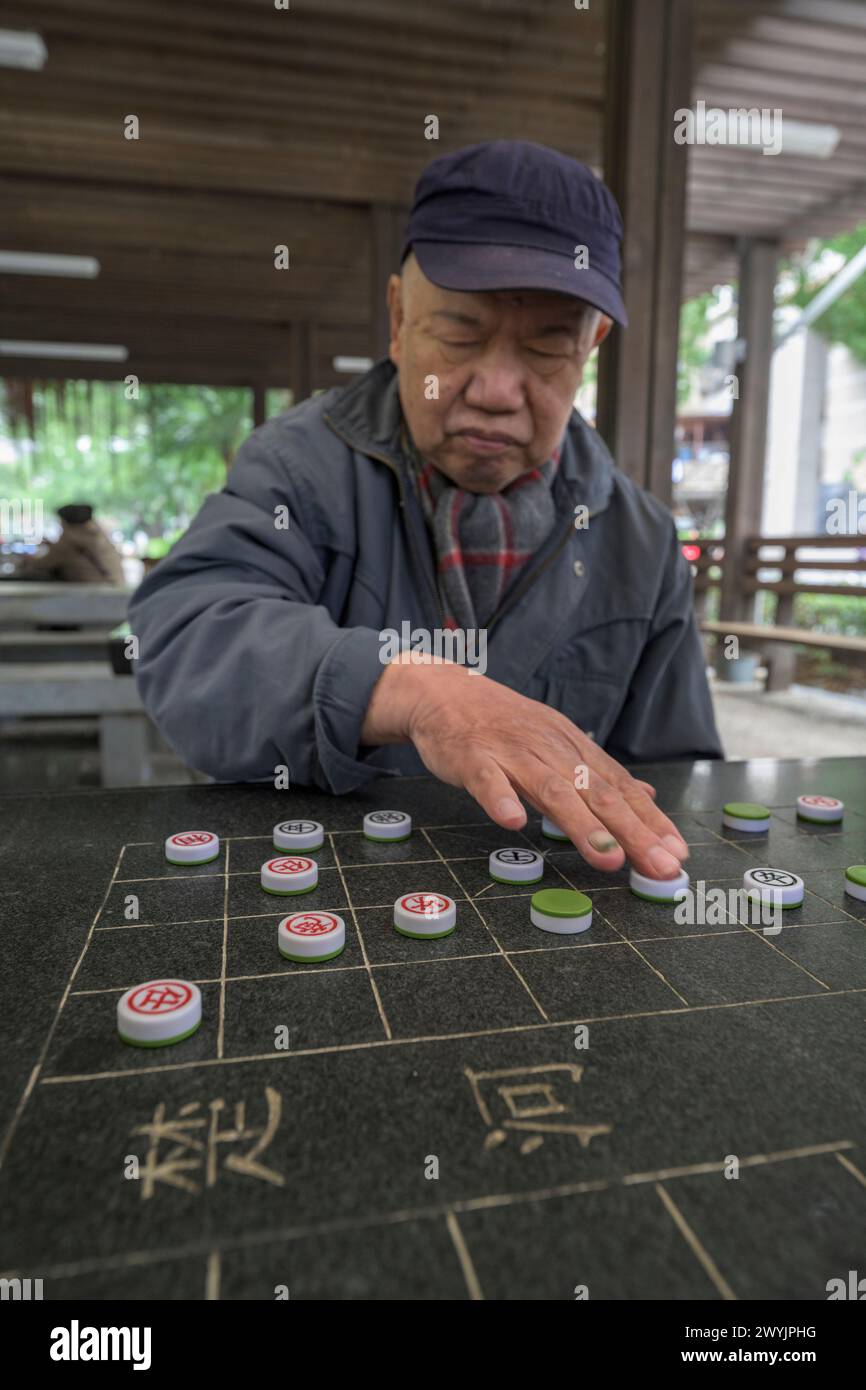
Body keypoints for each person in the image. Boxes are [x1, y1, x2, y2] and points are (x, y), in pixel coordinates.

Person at [130, 140, 722, 882]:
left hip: (548, 915)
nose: (497, 388)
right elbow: (183, 635)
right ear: (397, 314)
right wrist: (410, 690)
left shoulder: (643, 540)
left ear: (592, 344)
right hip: (326, 894)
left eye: (548, 344)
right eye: (460, 332)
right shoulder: (297, 466)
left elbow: (678, 783)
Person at [11, 503, 124, 584]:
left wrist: (26, 559)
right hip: (111, 587)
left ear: (65, 521)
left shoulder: (69, 540)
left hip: (91, 594)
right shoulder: (95, 535)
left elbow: (43, 564)